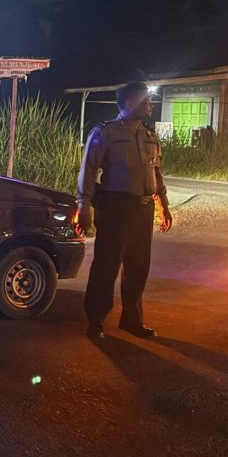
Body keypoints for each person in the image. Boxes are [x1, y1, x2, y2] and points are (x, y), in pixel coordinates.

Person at [77, 81, 173, 340]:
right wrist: (83, 206)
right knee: (106, 267)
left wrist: (163, 204)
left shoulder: (149, 135)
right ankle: (96, 321)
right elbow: (88, 171)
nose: (150, 105)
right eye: (145, 101)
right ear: (129, 102)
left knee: (138, 266)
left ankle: (132, 320)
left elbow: (156, 173)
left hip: (143, 209)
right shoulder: (105, 133)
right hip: (115, 208)